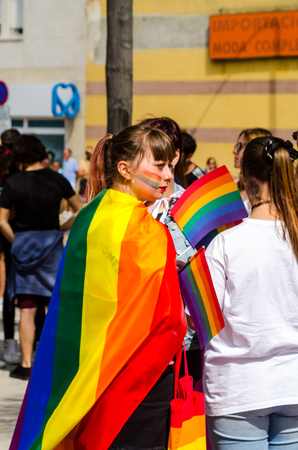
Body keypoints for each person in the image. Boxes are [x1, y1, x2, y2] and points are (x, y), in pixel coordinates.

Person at [9, 124, 186, 450]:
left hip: (85, 371)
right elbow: (170, 319)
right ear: (125, 169)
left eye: (170, 166)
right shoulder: (147, 231)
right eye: (159, 165)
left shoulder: (90, 214)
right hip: (135, 381)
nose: (167, 175)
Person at [202, 136, 298, 449]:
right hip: (292, 385)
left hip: (238, 389)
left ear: (245, 179)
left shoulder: (226, 243)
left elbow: (201, 320)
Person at [0, 134, 81, 380]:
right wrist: (62, 230)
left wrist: (17, 241)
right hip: (52, 247)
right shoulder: (57, 179)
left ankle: (26, 364)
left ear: (20, 156)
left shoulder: (14, 182)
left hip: (24, 247)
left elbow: (2, 220)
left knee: (27, 309)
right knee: (53, 306)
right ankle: (52, 364)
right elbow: (80, 209)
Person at [144, 118, 201, 386]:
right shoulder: (125, 208)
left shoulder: (188, 204)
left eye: (166, 162)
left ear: (176, 156)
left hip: (182, 343)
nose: (165, 173)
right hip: (140, 341)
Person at [0, 130, 21, 366]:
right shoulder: (17, 172)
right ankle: (12, 343)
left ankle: (9, 342)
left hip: (11, 231)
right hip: (14, 230)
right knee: (16, 288)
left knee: (10, 289)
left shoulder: (15, 172)